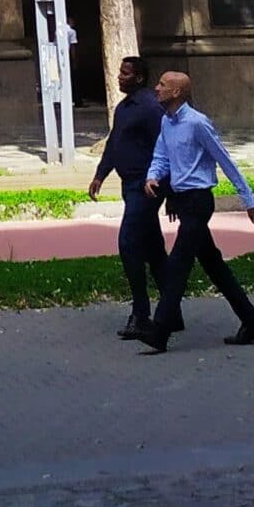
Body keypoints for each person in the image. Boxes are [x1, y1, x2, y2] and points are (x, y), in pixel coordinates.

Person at [130, 69, 254, 353]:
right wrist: (152, 177)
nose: (156, 88)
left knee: (178, 263)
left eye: (163, 85)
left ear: (177, 92)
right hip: (182, 201)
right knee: (214, 267)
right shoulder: (167, 123)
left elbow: (225, 160)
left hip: (199, 202)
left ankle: (161, 330)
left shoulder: (197, 123)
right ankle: (253, 323)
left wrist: (250, 201)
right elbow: (161, 156)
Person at [87, 56, 165, 338]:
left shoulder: (149, 108)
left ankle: (141, 313)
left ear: (140, 78)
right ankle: (171, 312)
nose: (119, 77)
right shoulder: (123, 108)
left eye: (126, 73)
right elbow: (114, 143)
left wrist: (167, 186)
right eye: (120, 72)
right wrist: (100, 174)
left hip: (146, 188)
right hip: (128, 184)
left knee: (129, 242)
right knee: (154, 248)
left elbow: (164, 146)